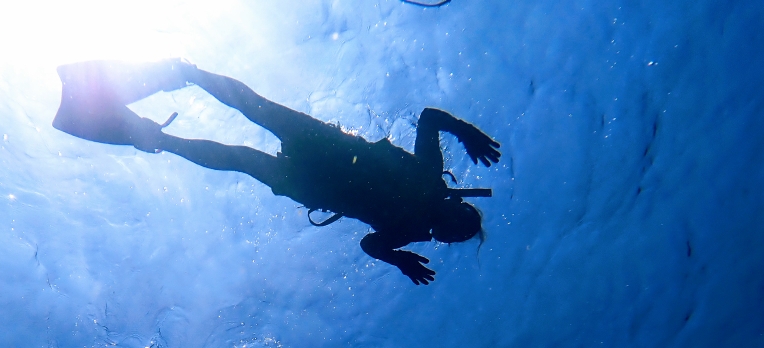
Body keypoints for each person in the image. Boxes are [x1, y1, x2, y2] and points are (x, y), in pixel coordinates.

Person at [52, 60, 501, 286]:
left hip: (316, 182)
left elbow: (370, 242)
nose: (448, 230)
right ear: (460, 205)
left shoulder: (412, 230)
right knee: (256, 112)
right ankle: (187, 73)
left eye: (452, 236)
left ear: (443, 238)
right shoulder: (429, 177)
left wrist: (399, 259)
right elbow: (426, 117)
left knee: (241, 157)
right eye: (460, 224)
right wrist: (466, 132)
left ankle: (162, 137)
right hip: (329, 151)